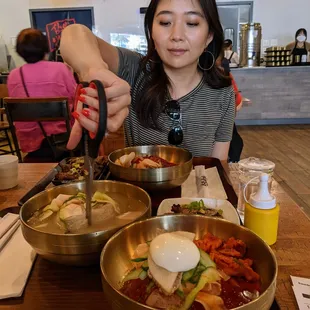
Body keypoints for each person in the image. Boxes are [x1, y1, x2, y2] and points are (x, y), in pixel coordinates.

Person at [61, 0, 235, 161]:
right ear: (151, 30)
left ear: (209, 35)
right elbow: (74, 33)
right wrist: (94, 71)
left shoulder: (222, 92)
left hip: (197, 194)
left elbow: (218, 165)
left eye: (192, 23)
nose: (177, 35)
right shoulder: (135, 70)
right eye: (165, 22)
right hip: (140, 193)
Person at [7, 28, 77, 161]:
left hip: (31, 148)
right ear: (46, 47)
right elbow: (76, 97)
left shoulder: (14, 75)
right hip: (64, 142)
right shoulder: (61, 68)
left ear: (20, 51)